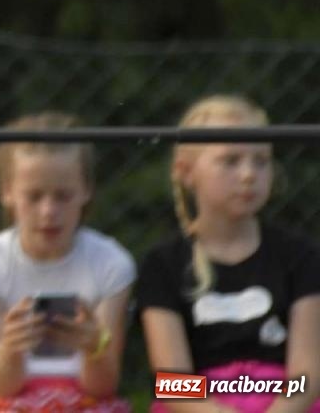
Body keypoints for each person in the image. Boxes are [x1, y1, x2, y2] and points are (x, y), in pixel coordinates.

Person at [137, 94, 320, 413]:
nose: (249, 175)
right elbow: (172, 383)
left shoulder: (301, 255)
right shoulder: (163, 264)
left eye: (261, 161)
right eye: (231, 161)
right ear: (186, 172)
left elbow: (306, 377)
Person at [0, 113, 133, 413]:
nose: (49, 211)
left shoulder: (111, 264)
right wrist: (10, 350)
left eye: (63, 196)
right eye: (34, 197)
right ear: (7, 192)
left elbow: (103, 387)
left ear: (86, 191)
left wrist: (94, 347)